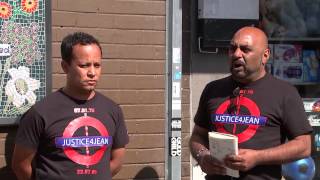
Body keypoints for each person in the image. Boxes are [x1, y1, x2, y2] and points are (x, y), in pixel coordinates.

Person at [189, 26, 313, 180]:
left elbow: (304, 145)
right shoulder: (212, 90)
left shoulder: (284, 93)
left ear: (265, 55)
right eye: (232, 48)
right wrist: (202, 156)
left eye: (245, 49)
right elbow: (197, 136)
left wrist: (258, 157)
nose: (236, 54)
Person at [11, 32, 129, 180]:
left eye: (97, 65)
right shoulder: (40, 112)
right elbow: (21, 165)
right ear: (65, 67)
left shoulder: (112, 110)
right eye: (84, 65)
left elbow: (116, 162)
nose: (92, 72)